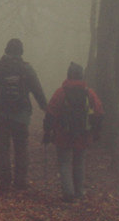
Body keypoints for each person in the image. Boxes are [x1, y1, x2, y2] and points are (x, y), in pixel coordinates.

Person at [0, 38, 48, 194]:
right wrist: (45, 107)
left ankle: (4, 182)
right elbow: (37, 90)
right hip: (21, 115)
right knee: (21, 148)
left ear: (6, 50)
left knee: (3, 148)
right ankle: (20, 181)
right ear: (21, 52)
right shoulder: (26, 69)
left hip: (1, 114)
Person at [43, 62, 105, 202]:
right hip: (83, 135)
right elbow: (99, 113)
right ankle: (79, 192)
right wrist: (96, 132)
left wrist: (47, 131)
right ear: (81, 76)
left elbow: (51, 113)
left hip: (63, 134)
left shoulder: (61, 92)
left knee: (64, 162)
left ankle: (68, 193)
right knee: (79, 163)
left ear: (68, 74)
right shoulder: (89, 93)